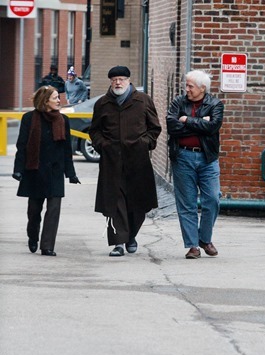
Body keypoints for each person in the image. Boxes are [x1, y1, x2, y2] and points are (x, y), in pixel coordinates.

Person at [89, 65, 161, 257]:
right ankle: (118, 242)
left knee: (138, 203)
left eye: (121, 79)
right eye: (114, 80)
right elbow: (94, 130)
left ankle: (130, 236)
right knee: (115, 201)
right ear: (110, 82)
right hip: (111, 161)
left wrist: (144, 143)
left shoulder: (143, 101)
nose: (118, 83)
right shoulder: (103, 104)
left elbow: (154, 128)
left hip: (138, 161)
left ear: (129, 81)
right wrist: (102, 145)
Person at [12, 85, 81, 256]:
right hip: (34, 171)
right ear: (45, 100)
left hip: (55, 172)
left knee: (54, 210)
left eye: (59, 97)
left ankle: (47, 246)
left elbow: (67, 150)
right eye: (56, 97)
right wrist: (18, 169)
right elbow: (22, 146)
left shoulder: (63, 120)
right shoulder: (29, 118)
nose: (59, 101)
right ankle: (33, 235)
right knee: (34, 211)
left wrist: (71, 174)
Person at [166, 70, 224, 259]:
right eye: (187, 85)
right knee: (187, 203)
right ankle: (192, 246)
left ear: (202, 88)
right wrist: (199, 123)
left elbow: (212, 127)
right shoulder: (178, 102)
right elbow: (172, 127)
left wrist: (187, 120)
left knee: (213, 199)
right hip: (182, 157)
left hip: (208, 159)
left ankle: (205, 239)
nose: (187, 89)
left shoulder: (215, 104)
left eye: (191, 86)